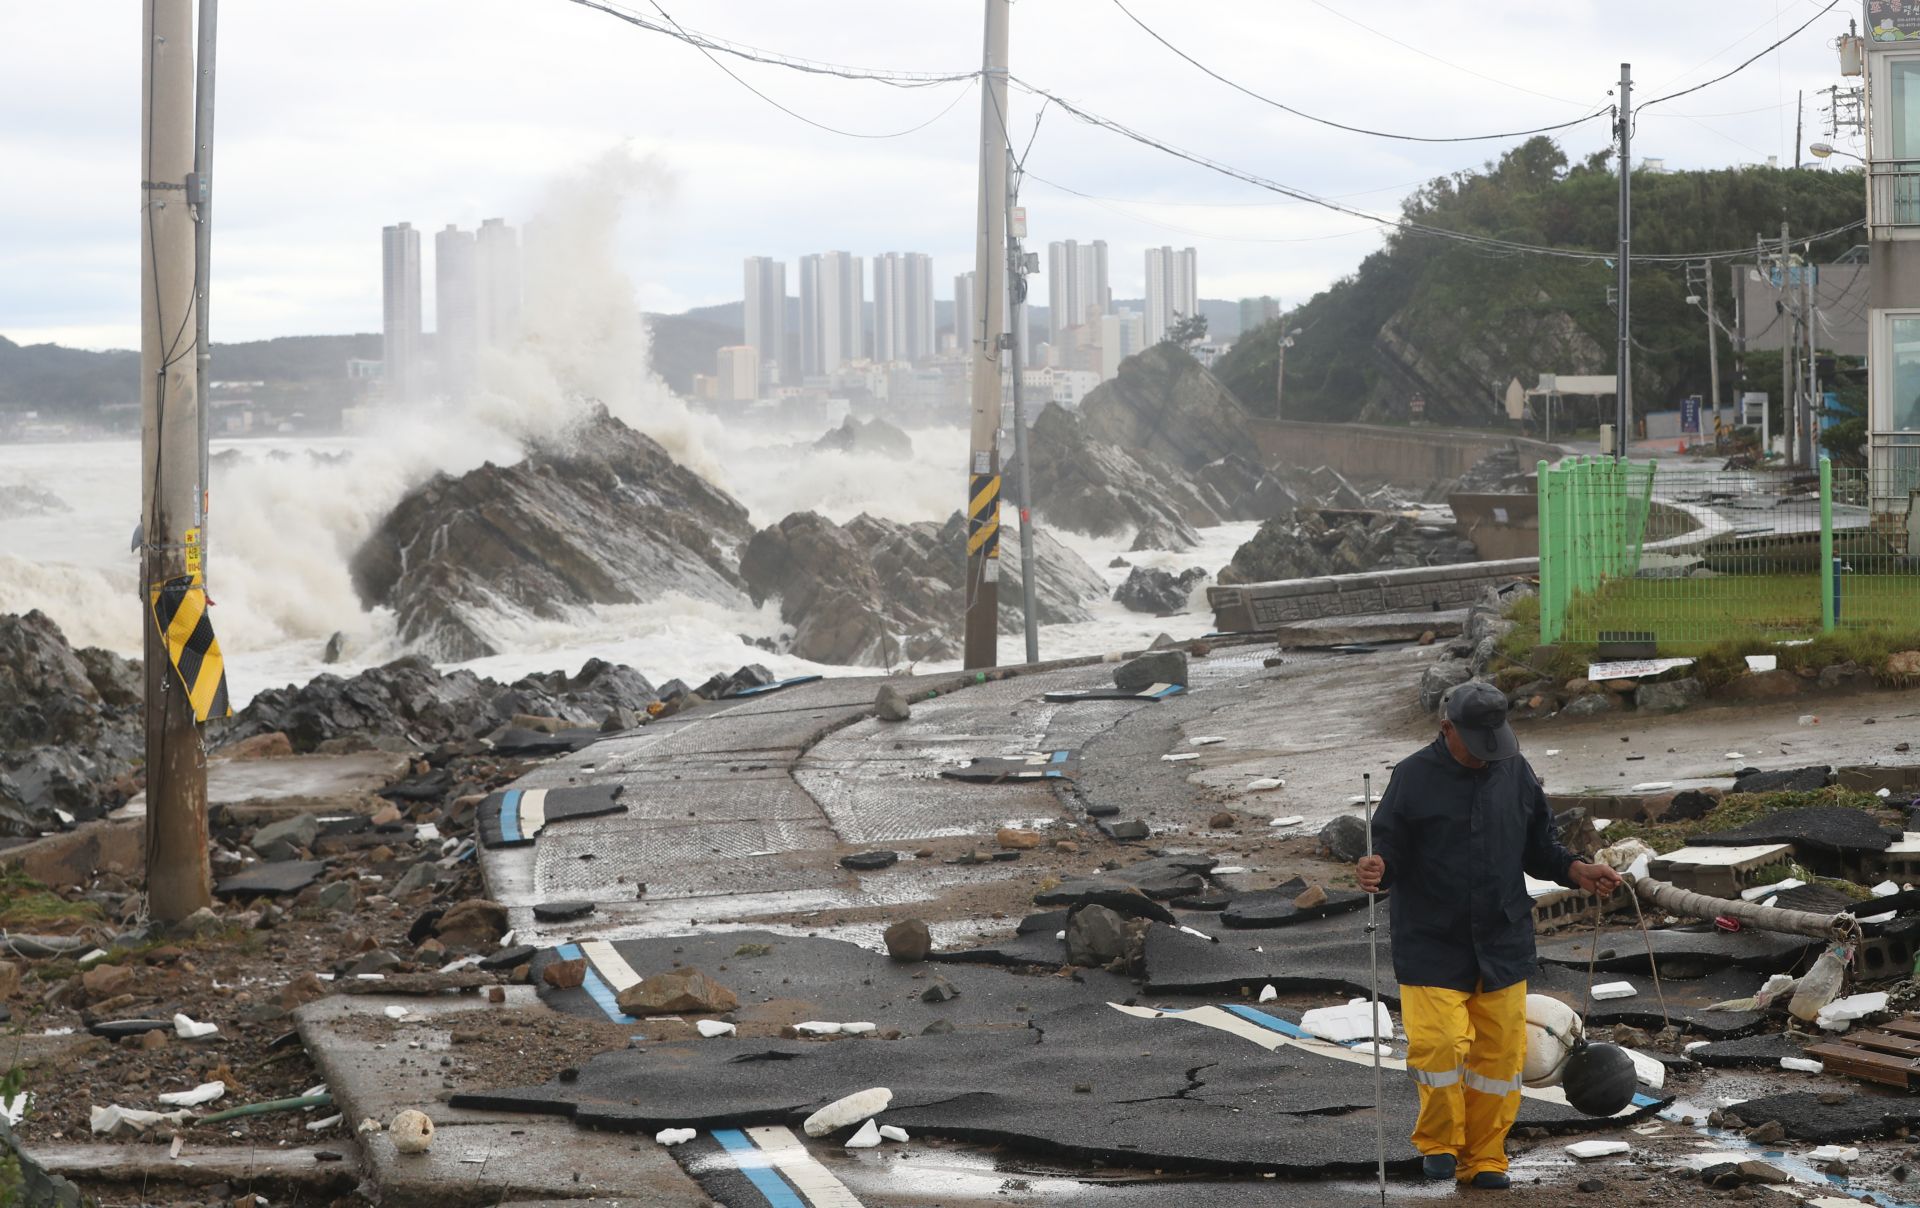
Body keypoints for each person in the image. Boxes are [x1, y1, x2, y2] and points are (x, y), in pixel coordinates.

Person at [1355, 681, 1622, 1190]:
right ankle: (1439, 1143)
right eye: (1475, 744)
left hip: (1501, 937)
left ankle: (1486, 1156)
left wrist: (1575, 870)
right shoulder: (1412, 777)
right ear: (1446, 728)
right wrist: (1377, 869)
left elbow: (1539, 847)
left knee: (1498, 1058)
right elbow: (1388, 849)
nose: (1484, 757)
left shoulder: (1515, 772)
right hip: (1431, 939)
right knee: (1440, 1047)